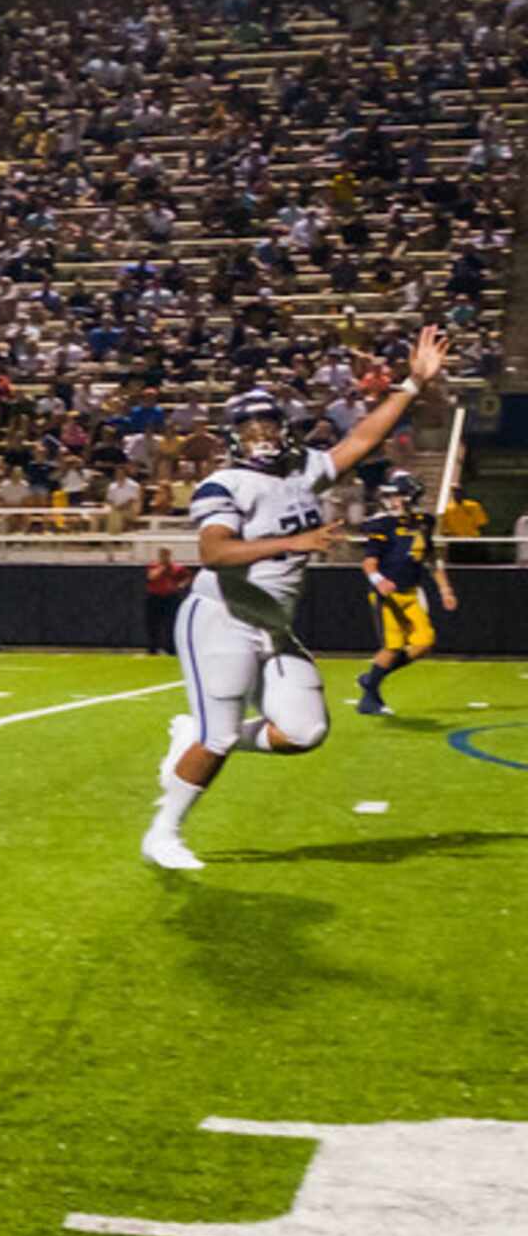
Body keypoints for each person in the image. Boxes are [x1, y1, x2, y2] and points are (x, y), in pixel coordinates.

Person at [144, 330, 446, 871]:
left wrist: (413, 384)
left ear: (283, 429)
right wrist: (291, 542)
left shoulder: (302, 469)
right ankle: (164, 833)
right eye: (248, 428)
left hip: (272, 624)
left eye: (266, 425)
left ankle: (206, 734)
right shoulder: (223, 484)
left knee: (306, 731)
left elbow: (361, 441)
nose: (259, 436)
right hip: (221, 618)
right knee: (215, 739)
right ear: (231, 437)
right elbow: (213, 552)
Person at [355, 469, 456, 716]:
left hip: (411, 592)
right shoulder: (381, 524)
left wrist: (445, 588)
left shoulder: (423, 522)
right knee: (392, 646)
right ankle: (369, 698)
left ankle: (372, 678)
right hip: (387, 596)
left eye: (398, 495)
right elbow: (368, 563)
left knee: (423, 643)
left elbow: (431, 557)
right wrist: (379, 581)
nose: (392, 500)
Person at [142, 546, 191, 656]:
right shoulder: (154, 566)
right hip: (154, 597)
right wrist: (162, 567)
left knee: (171, 624)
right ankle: (153, 649)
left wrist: (181, 585)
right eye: (162, 554)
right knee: (153, 624)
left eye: (166, 554)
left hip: (170, 597)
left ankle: (171, 649)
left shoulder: (177, 568)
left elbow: (186, 577)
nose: (164, 556)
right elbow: (151, 577)